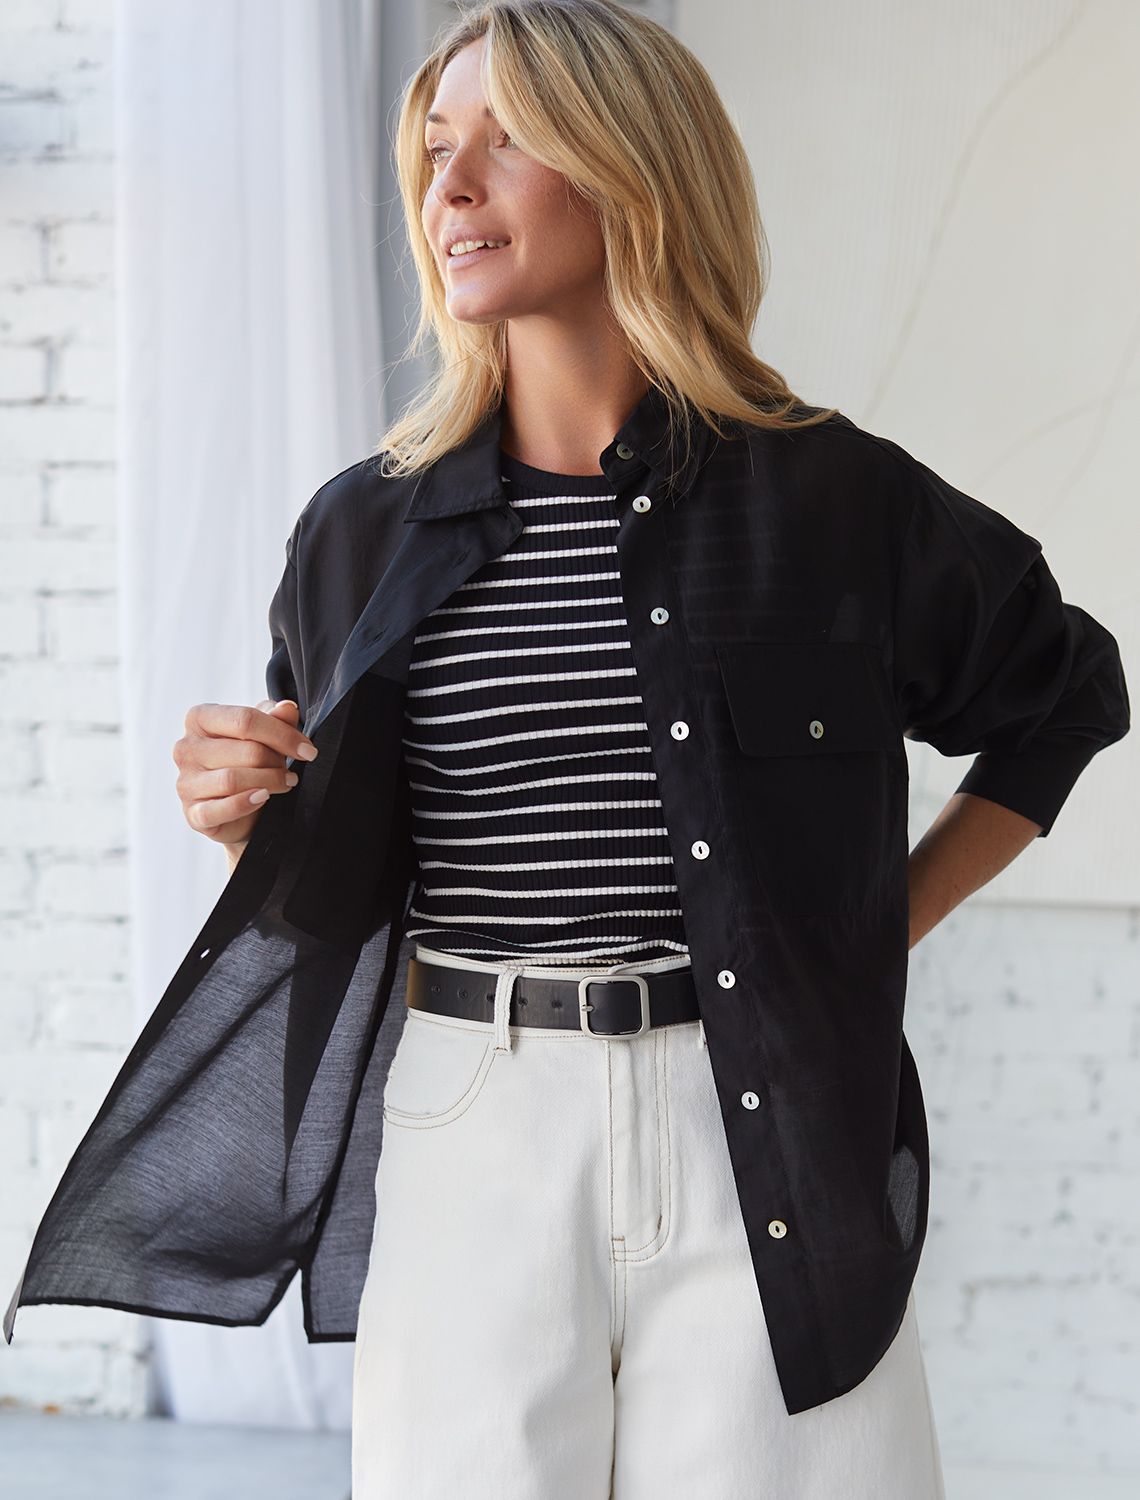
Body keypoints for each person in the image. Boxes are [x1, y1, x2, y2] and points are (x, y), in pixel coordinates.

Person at [6, 3, 1127, 1498]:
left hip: (760, 1125)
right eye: (432, 150)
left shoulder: (835, 501)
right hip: (476, 1119)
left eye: (506, 139)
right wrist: (247, 823)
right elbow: (340, 893)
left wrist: (869, 937)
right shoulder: (359, 532)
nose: (450, 186)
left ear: (634, 170)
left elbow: (1063, 694)